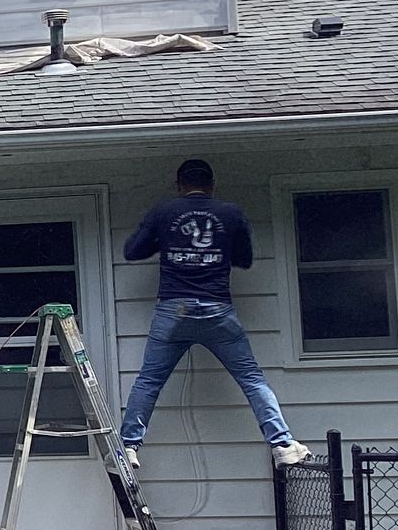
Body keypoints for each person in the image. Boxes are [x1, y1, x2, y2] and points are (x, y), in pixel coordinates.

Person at [120, 158, 309, 470]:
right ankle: (282, 444)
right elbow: (245, 259)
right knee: (251, 378)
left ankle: (129, 446)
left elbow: (132, 251)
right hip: (216, 309)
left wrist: (166, 242)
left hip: (173, 310)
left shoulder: (164, 211)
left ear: (179, 185)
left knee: (149, 380)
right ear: (211, 185)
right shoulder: (230, 213)